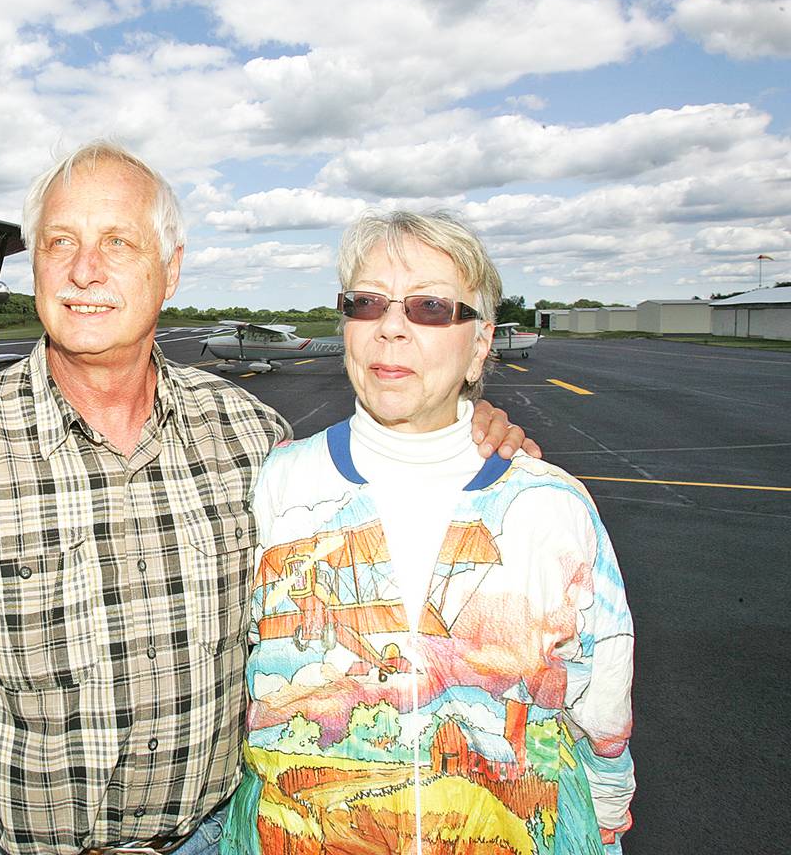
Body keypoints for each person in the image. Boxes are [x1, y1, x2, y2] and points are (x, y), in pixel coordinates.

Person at [0, 145, 534, 855]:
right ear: (36, 266)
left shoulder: (254, 440)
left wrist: (469, 430)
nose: (85, 270)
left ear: (170, 270)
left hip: (209, 838)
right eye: (61, 242)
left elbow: (376, 532)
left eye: (118, 241)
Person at [222, 211, 634, 855]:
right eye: (367, 303)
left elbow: (606, 696)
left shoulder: (550, 505)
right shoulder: (276, 481)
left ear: (479, 344)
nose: (391, 327)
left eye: (432, 308)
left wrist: (607, 823)